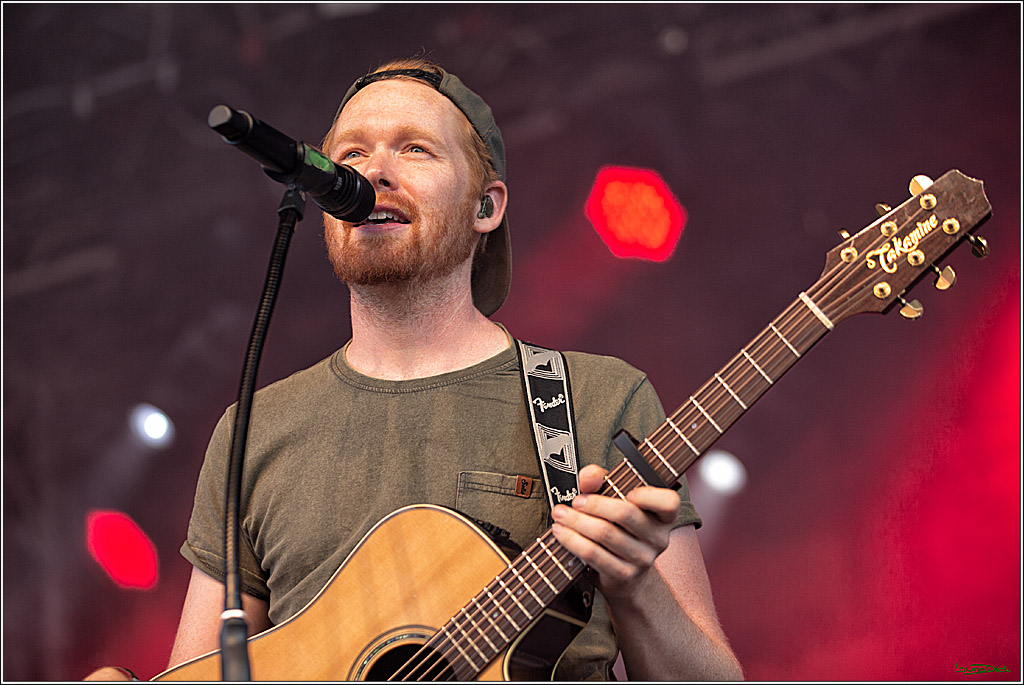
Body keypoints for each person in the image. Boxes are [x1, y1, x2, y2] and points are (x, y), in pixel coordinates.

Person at [129, 57, 742, 681]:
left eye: (415, 149)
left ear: (487, 207)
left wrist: (637, 590)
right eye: (352, 154)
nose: (374, 173)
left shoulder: (597, 398)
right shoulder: (253, 430)